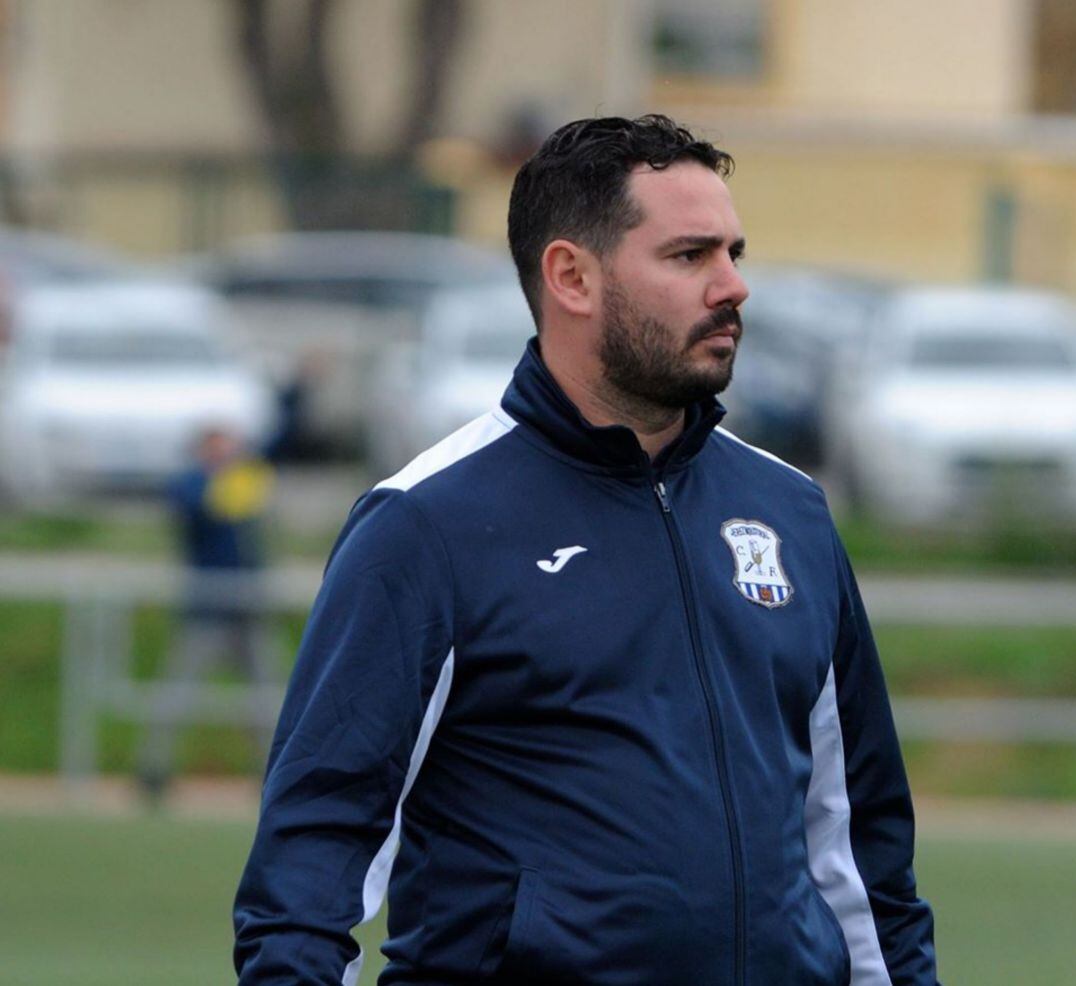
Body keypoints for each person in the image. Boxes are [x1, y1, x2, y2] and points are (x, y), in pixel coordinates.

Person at [234, 115, 938, 985]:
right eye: (690, 257)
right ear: (572, 275)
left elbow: (862, 851)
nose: (734, 287)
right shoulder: (427, 523)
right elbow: (314, 864)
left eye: (735, 253)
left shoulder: (787, 512)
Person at [138, 425, 277, 801]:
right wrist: (227, 484)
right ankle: (153, 770)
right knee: (176, 693)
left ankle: (273, 774)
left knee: (267, 696)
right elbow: (202, 508)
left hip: (248, 607)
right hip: (205, 608)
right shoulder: (190, 484)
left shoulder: (245, 481)